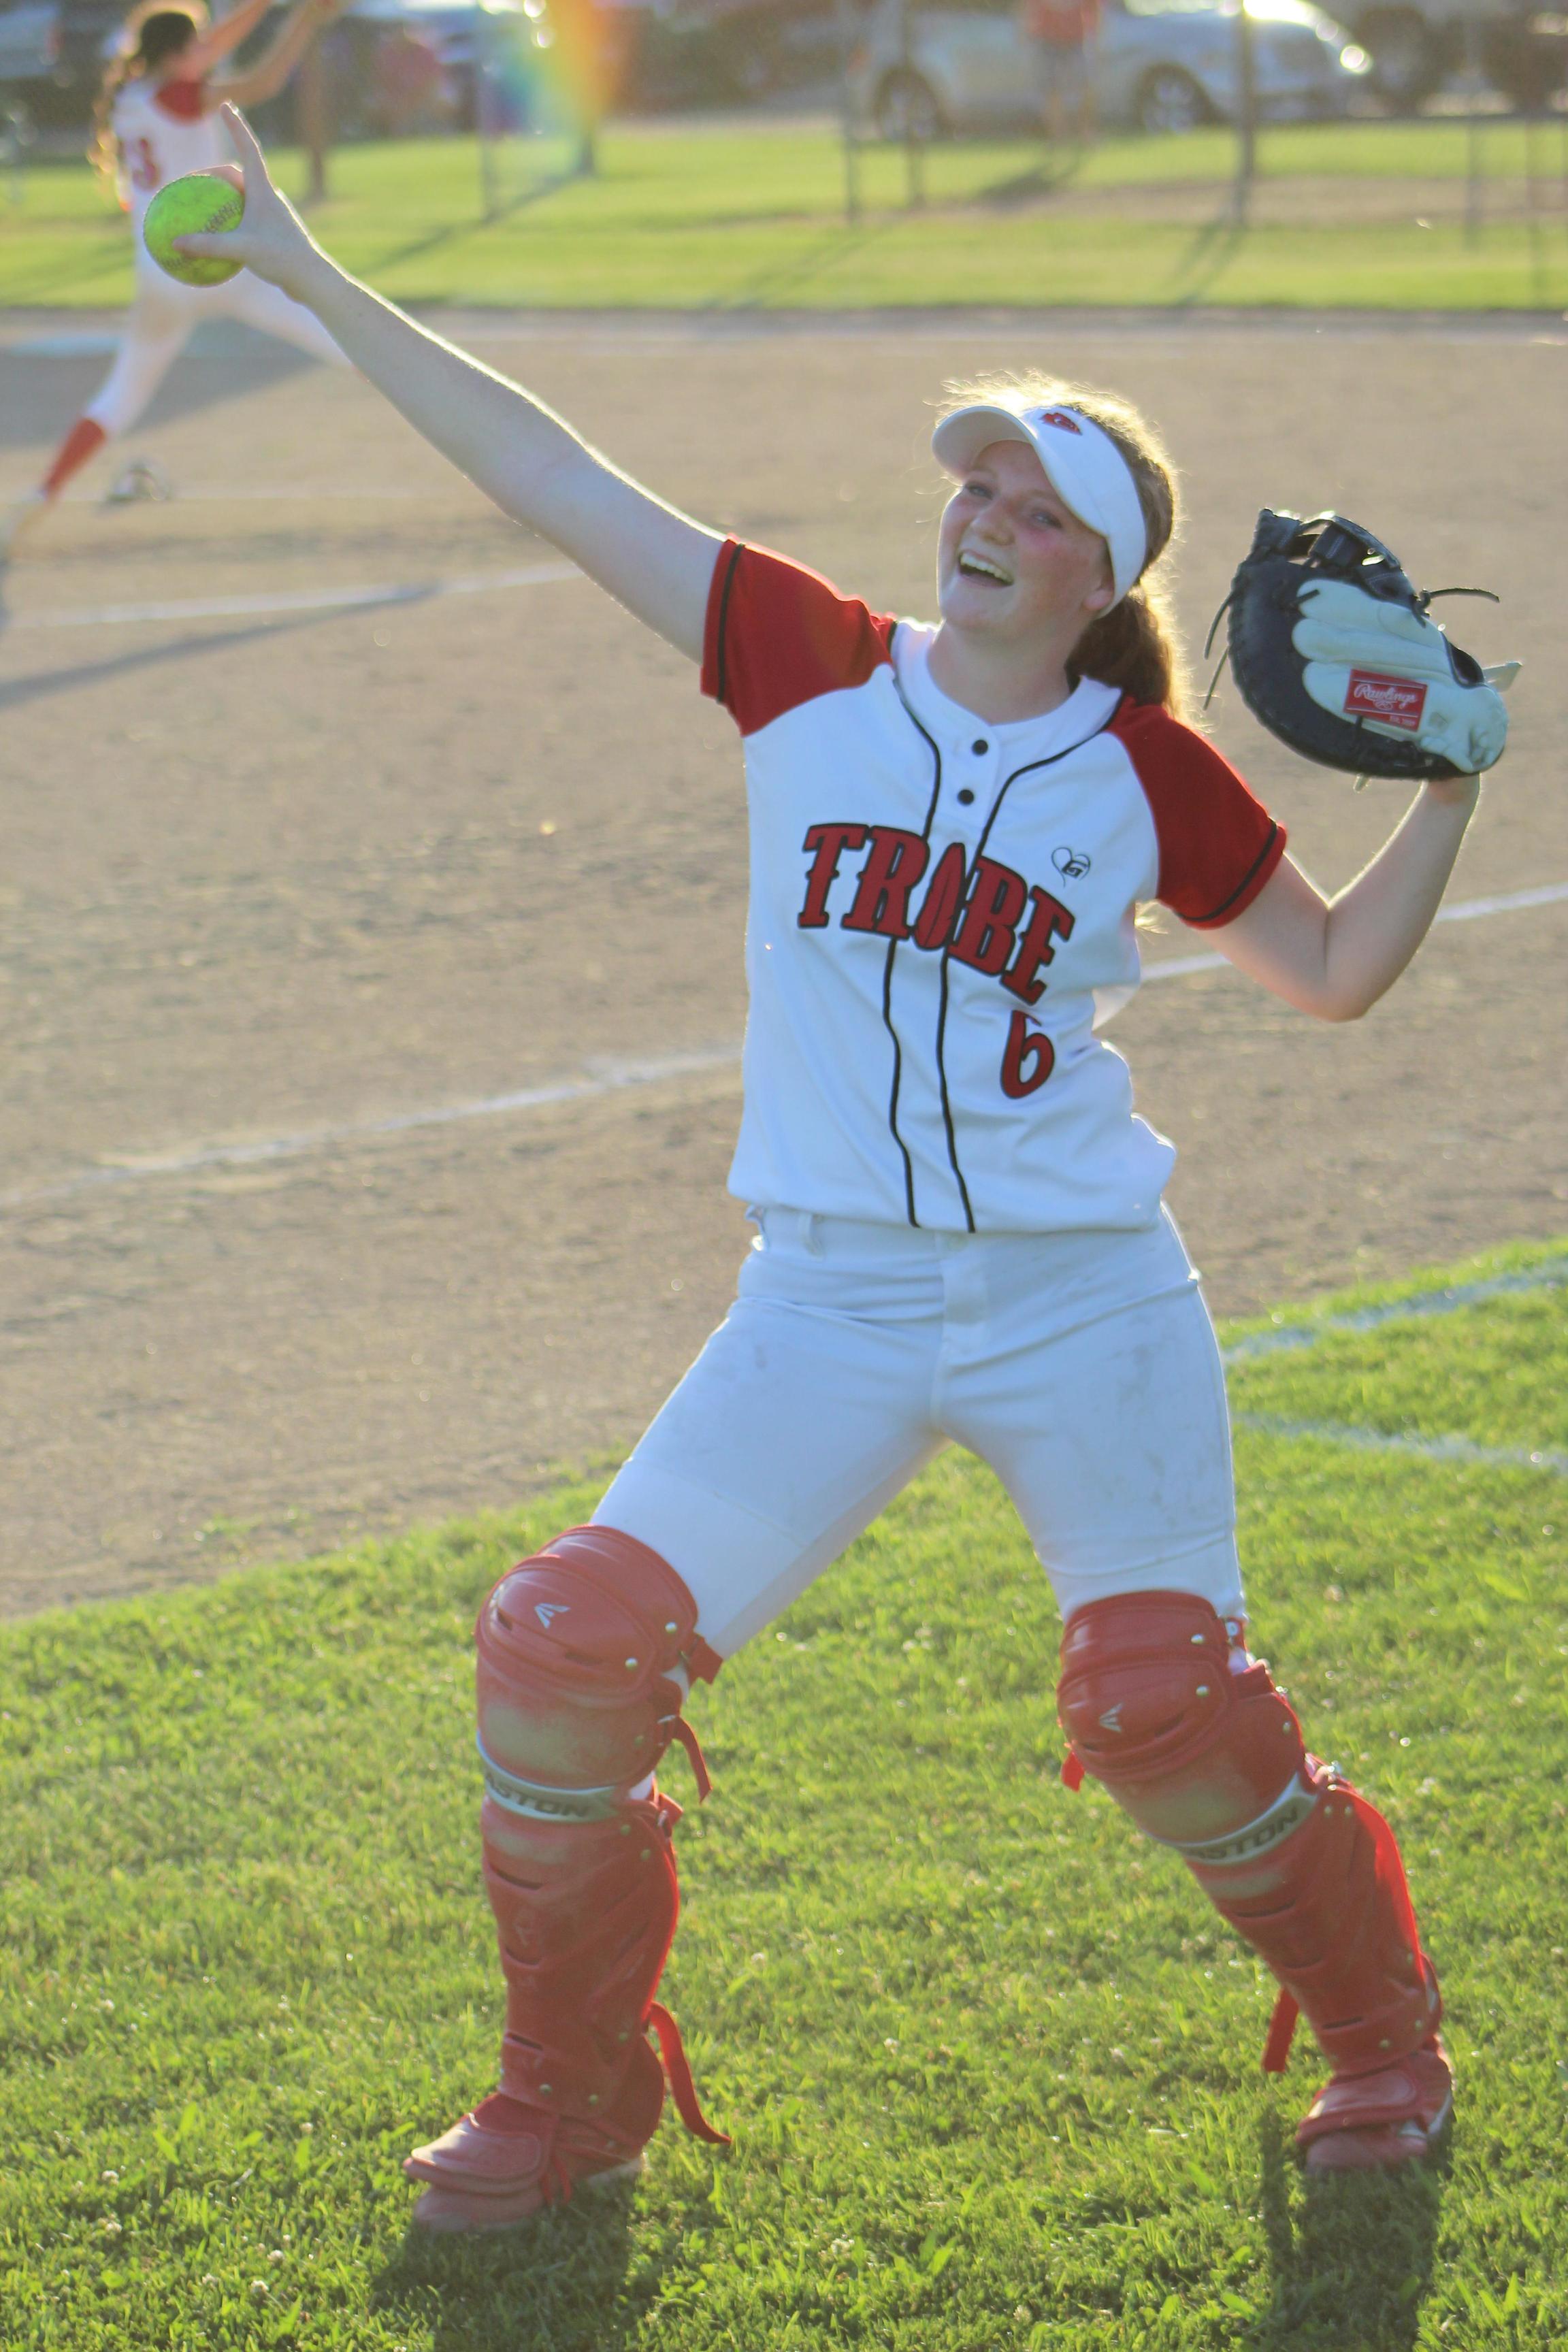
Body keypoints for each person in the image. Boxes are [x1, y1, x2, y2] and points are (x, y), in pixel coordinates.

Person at [179, 107, 1478, 2228]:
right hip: (829, 1302)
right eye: (971, 474)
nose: (981, 506)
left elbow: (1329, 973)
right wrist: (312, 277)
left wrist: (1452, 793)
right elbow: (546, 472)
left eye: (1031, 496)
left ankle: (1382, 2042)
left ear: (1094, 569)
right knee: (557, 1654)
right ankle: (564, 2099)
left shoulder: (1148, 773)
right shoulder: (802, 658)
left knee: (1163, 1712)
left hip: (1082, 1297)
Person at [0, 0, 345, 566]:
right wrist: (302, 22)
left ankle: (41, 494)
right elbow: (261, 82)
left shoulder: (133, 95)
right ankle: (441, 412)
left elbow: (208, 46)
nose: (206, 51)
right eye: (196, 47)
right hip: (219, 269)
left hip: (160, 280)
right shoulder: (179, 96)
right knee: (336, 334)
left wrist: (262, 6)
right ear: (175, 55)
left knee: (118, 399)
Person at [1019, 0, 1100, 149]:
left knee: (1086, 86)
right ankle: (1058, 137)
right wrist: (1026, 29)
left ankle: (1086, 133)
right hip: (1047, 39)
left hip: (1077, 39)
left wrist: (1097, 36)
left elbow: (1095, 8)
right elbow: (1027, 7)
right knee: (1051, 90)